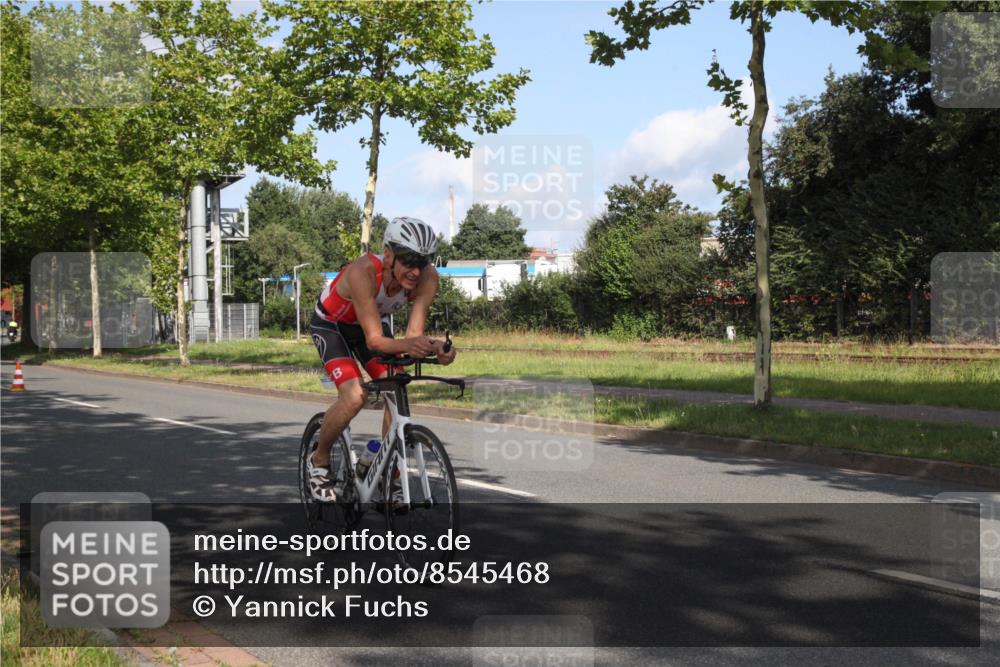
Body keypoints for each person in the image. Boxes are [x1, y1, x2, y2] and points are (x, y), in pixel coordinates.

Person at [307, 217, 456, 501]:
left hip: (371, 325)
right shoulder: (363, 271)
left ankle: (391, 475)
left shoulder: (427, 279)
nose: (415, 271)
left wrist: (436, 347)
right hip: (333, 326)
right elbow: (375, 341)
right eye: (408, 261)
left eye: (422, 262)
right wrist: (413, 344)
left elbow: (414, 334)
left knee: (396, 385)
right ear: (388, 255)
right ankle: (319, 461)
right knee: (354, 396)